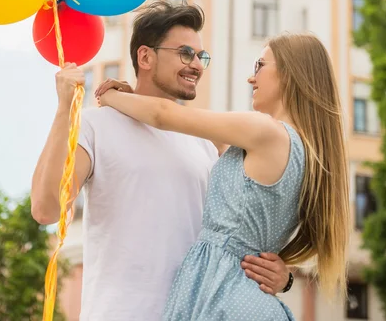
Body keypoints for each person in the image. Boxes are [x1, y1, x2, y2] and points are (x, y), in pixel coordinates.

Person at [31, 1, 291, 321]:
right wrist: (63, 109)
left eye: (201, 56)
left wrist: (283, 276)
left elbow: (229, 238)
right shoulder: (96, 125)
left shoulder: (206, 147)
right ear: (145, 57)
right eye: (185, 53)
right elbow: (46, 209)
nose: (196, 65)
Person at [97, 31, 350, 321]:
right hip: (245, 298)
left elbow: (163, 115)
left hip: (222, 295)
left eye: (260, 65)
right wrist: (287, 280)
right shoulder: (303, 151)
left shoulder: (265, 131)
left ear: (291, 73)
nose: (251, 78)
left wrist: (110, 95)